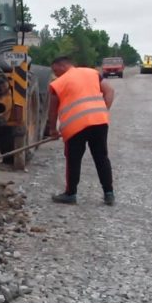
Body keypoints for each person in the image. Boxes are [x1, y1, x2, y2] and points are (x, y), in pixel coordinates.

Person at [44, 56, 116, 206]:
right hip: (99, 122)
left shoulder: (58, 83)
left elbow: (52, 110)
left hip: (75, 126)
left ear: (63, 66)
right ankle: (109, 194)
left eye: (55, 70)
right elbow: (110, 91)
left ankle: (71, 194)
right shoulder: (92, 73)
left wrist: (52, 130)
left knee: (73, 159)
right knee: (101, 157)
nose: (55, 74)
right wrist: (103, 110)